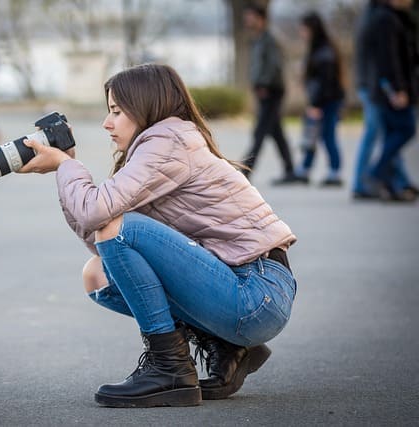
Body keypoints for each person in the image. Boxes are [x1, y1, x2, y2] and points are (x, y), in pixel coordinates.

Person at [18, 64, 297, 408]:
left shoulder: (168, 141)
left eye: (116, 112)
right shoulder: (159, 147)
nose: (107, 123)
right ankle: (226, 345)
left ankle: (169, 369)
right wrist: (67, 167)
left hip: (256, 292)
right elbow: (107, 243)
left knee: (116, 228)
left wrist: (65, 167)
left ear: (146, 106)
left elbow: (103, 220)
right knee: (97, 275)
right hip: (245, 290)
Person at [352, 0, 415, 200]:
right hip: (380, 87)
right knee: (400, 130)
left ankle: (393, 184)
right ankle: (370, 177)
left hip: (376, 87)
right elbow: (388, 58)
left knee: (388, 135)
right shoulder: (382, 18)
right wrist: (397, 89)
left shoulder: (379, 15)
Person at [242, 4, 296, 185]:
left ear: (261, 19)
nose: (247, 20)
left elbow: (274, 65)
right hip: (265, 90)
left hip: (271, 91)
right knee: (276, 132)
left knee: (260, 132)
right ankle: (290, 170)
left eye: (250, 16)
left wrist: (264, 84)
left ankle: (245, 170)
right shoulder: (259, 38)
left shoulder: (269, 38)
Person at [292, 12, 345, 186]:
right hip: (321, 100)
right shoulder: (319, 48)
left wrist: (316, 105)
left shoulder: (324, 50)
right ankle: (305, 169)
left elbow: (326, 82)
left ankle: (334, 172)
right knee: (312, 135)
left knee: (327, 136)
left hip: (326, 101)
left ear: (312, 29)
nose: (301, 33)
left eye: (303, 29)